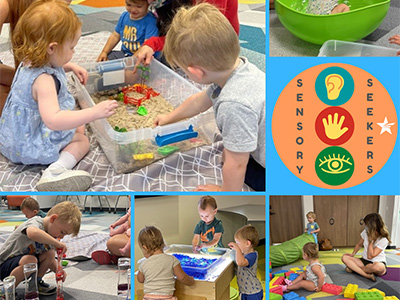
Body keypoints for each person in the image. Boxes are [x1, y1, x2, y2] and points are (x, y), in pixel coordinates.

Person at [0, 0, 118, 191]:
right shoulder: (44, 80)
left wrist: (70, 66)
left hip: (11, 137)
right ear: (52, 48)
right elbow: (54, 120)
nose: (74, 51)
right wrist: (96, 112)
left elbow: (49, 64)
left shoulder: (29, 60)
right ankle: (55, 171)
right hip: (30, 145)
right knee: (82, 139)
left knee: (77, 124)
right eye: (71, 47)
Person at [155, 3, 265, 191]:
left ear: (196, 73)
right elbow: (199, 101)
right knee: (229, 153)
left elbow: (237, 165)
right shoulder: (238, 68)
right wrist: (167, 118)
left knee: (232, 162)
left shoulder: (233, 103)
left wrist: (224, 191)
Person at [0, 201, 81, 296]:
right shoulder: (36, 221)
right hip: (5, 265)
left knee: (50, 253)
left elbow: (50, 260)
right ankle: (5, 292)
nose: (61, 237)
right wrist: (56, 243)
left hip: (26, 266)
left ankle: (36, 283)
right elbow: (32, 233)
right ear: (53, 219)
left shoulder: (50, 235)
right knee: (31, 259)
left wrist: (58, 270)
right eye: (62, 232)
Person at [134, 0, 239, 69]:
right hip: (195, 40)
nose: (149, 2)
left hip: (215, 48)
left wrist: (153, 44)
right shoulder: (168, 5)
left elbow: (201, 35)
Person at [137, 226, 195, 298]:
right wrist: (191, 281)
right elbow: (182, 278)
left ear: (145, 248)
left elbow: (140, 279)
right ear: (163, 243)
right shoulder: (172, 260)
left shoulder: (144, 263)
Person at [341, 213, 390, 282]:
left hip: (377, 262)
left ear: (371, 226)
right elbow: (359, 244)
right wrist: (353, 254)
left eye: (366, 224)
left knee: (378, 267)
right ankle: (366, 275)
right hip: (364, 261)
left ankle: (355, 269)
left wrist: (371, 241)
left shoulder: (383, 239)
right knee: (344, 257)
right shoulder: (365, 232)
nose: (364, 226)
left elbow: (370, 256)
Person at [228, 225, 263, 300]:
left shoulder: (252, 255)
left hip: (253, 292)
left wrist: (237, 249)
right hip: (244, 291)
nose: (237, 245)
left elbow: (241, 263)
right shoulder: (244, 254)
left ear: (248, 244)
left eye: (238, 243)